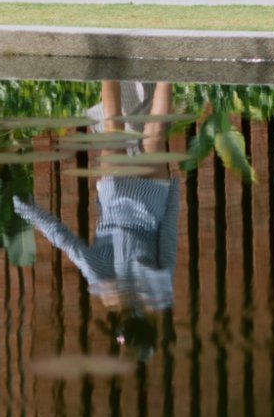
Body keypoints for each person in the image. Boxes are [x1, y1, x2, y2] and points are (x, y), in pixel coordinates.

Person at [15, 80, 181, 354]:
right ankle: (109, 55)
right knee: (113, 125)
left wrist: (173, 189)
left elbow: (168, 236)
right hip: (116, 197)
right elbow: (67, 243)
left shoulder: (155, 294)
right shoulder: (108, 289)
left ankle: (167, 67)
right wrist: (26, 209)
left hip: (151, 200)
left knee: (155, 132)